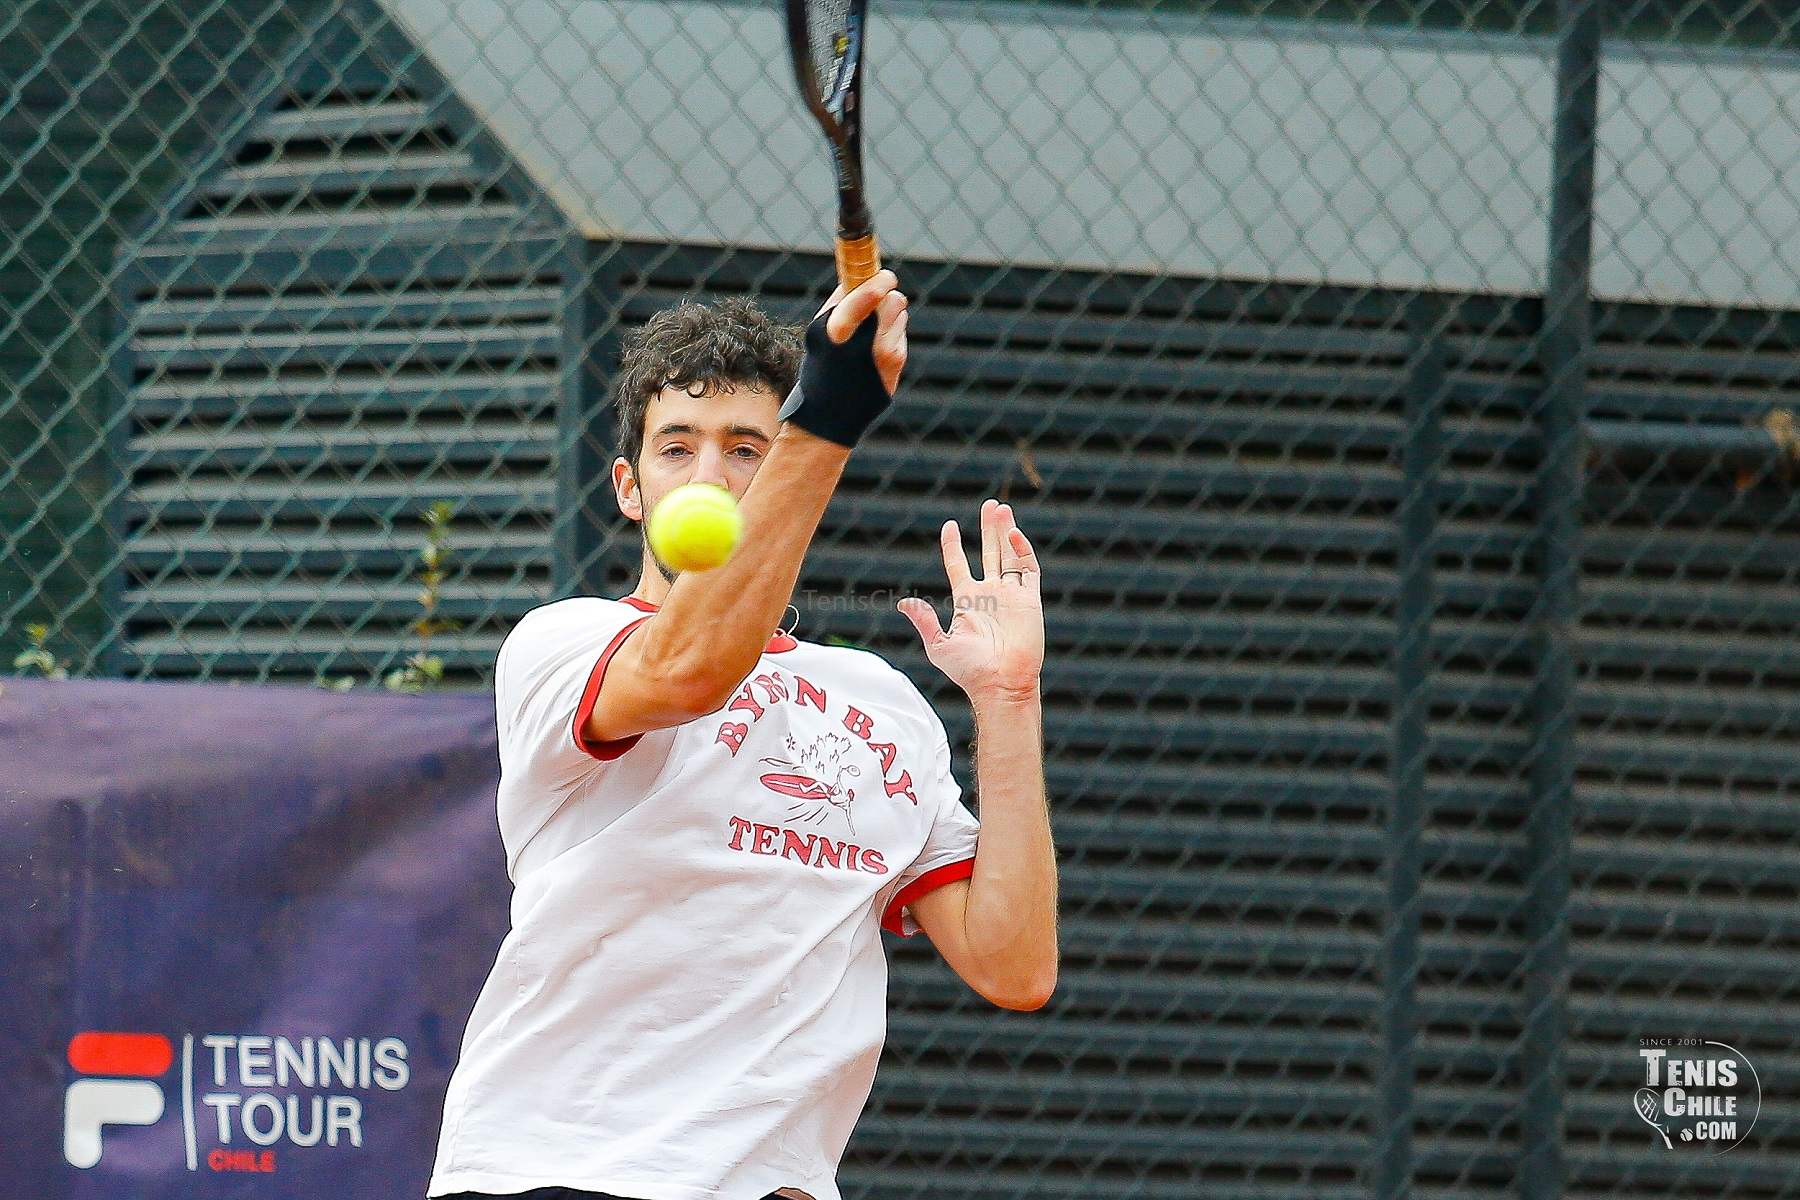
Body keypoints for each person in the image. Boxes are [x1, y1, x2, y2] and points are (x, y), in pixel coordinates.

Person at [428, 272, 1057, 1200]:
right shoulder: (564, 644)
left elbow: (1014, 965)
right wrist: (824, 421)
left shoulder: (882, 703)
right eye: (676, 448)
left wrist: (1008, 701)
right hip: (558, 1171)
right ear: (630, 489)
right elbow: (690, 671)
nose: (709, 479)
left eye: (747, 449)